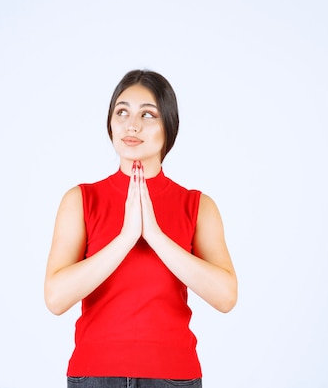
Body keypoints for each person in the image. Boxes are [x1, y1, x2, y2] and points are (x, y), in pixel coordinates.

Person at [44, 69, 237, 388]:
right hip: (94, 375)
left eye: (148, 114)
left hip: (173, 377)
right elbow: (56, 298)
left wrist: (156, 236)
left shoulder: (198, 205)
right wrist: (126, 237)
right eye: (122, 112)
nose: (132, 125)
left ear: (168, 126)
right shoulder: (80, 200)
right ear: (110, 122)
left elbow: (226, 297)